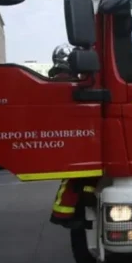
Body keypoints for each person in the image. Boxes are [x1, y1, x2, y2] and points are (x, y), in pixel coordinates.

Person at [46, 43, 98, 227]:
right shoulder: (64, 79)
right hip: (73, 134)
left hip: (75, 133)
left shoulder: (60, 78)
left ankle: (83, 200)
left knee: (84, 175)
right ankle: (63, 213)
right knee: (75, 177)